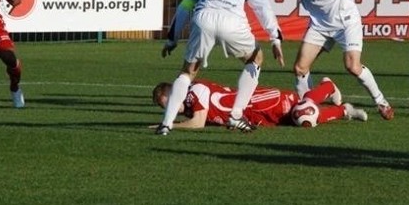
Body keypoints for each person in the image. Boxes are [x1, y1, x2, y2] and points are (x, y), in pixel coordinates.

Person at [224, 0, 394, 120]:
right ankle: (310, 106)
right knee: (300, 68)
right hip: (319, 24)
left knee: (352, 66)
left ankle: (381, 102)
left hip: (346, 20)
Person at [156, 0, 284, 135]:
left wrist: (172, 37)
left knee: (187, 72)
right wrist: (275, 38)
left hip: (203, 17)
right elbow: (262, 8)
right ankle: (236, 115)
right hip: (232, 20)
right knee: (255, 58)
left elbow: (187, 3)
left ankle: (166, 123)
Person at [152, 77, 368, 129]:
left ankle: (327, 87)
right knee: (300, 119)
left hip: (260, 102)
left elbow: (198, 124)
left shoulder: (194, 92)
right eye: (166, 109)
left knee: (303, 113)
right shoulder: (190, 105)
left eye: (169, 103)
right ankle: (344, 110)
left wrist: (169, 125)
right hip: (254, 116)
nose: (170, 109)